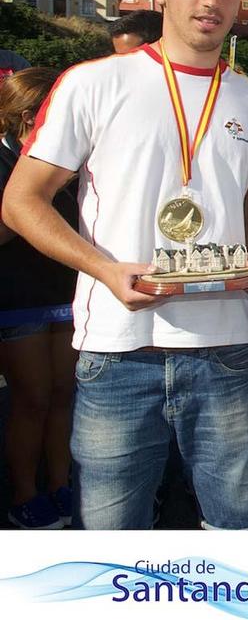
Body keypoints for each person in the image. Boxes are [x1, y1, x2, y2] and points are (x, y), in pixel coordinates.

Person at [2, 0, 248, 530]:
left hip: (226, 348)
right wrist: (104, 269)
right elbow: (22, 202)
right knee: (112, 545)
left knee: (244, 530)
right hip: (117, 351)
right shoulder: (92, 83)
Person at [0, 67, 77, 529]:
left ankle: (61, 484)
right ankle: (26, 494)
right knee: (32, 398)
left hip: (69, 293)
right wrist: (30, 204)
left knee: (65, 394)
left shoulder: (68, 161)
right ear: (31, 115)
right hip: (18, 298)